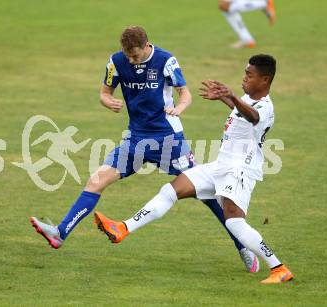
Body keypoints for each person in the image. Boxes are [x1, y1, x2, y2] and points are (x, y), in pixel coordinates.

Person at [30, 26, 258, 272]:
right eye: (127, 55)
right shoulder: (116, 61)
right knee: (96, 180)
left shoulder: (165, 60)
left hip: (168, 139)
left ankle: (243, 247)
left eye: (135, 56)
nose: (131, 60)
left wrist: (180, 108)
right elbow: (104, 93)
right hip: (135, 139)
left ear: (147, 45)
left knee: (208, 195)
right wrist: (109, 102)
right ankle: (60, 233)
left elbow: (186, 93)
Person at [95, 54, 294, 284]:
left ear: (265, 80)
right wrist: (226, 99)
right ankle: (122, 228)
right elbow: (243, 111)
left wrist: (231, 96)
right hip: (220, 166)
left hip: (238, 171)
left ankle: (278, 267)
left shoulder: (265, 107)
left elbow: (254, 118)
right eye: (245, 74)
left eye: (250, 75)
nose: (244, 79)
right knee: (171, 190)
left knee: (234, 222)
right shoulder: (247, 100)